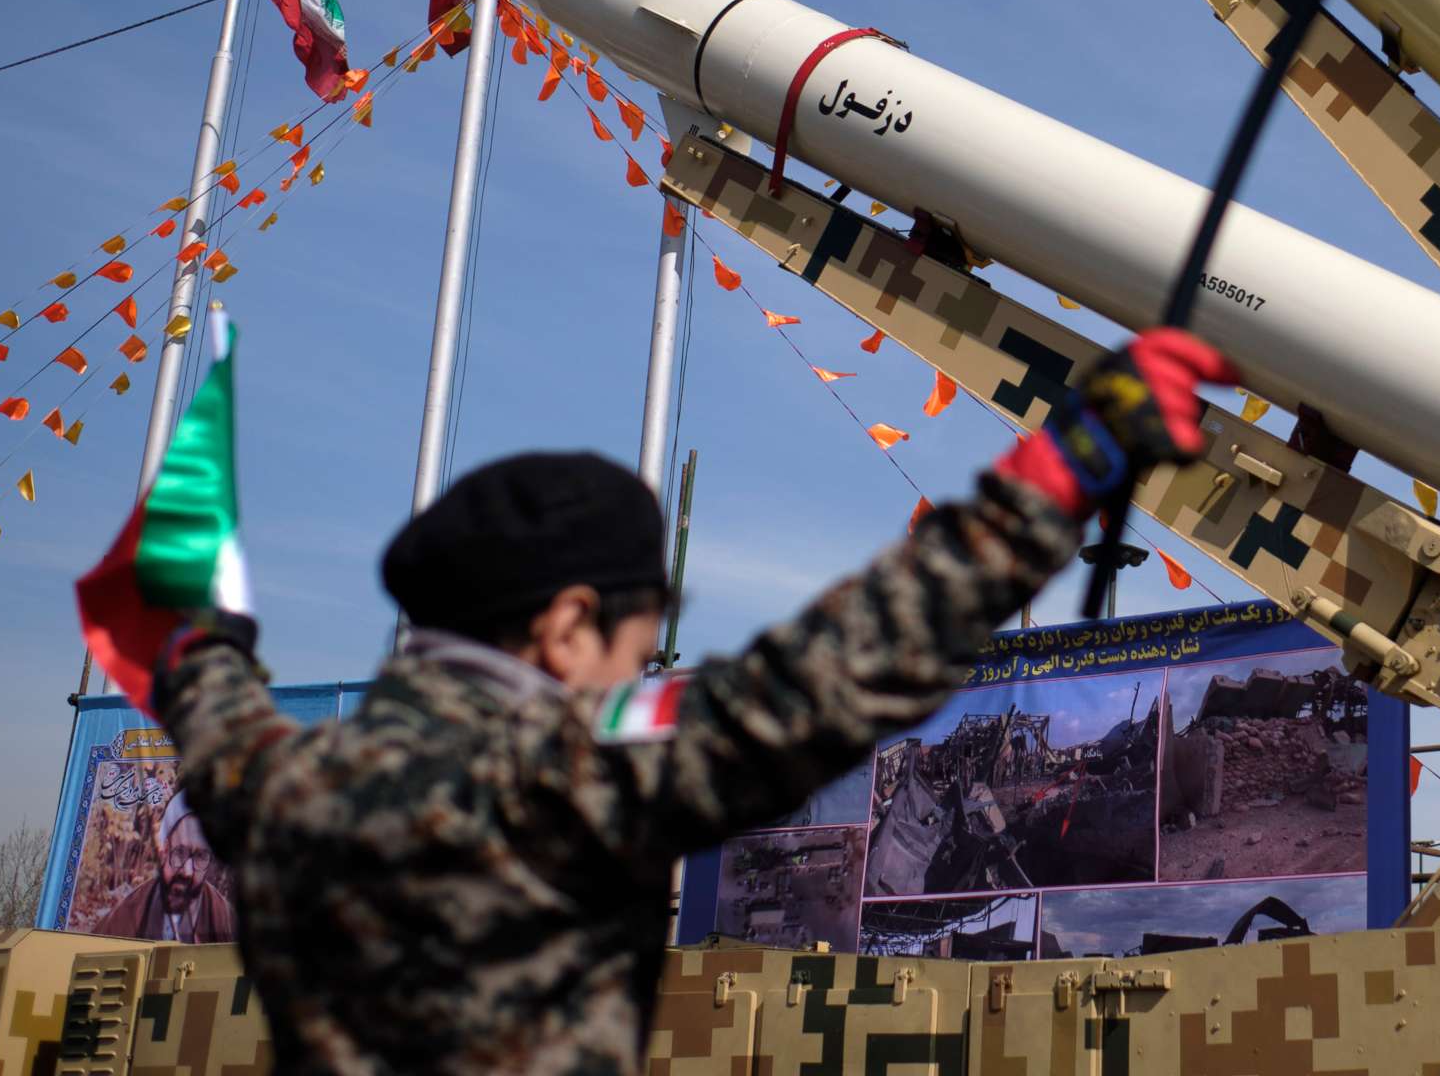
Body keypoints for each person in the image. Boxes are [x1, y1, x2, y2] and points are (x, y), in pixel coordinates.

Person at [150, 330, 1231, 1075]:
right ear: (566, 624)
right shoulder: (550, 782)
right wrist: (1072, 460)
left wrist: (210, 638)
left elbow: (207, 693)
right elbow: (831, 674)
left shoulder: (283, 781)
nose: (637, 676)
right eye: (635, 640)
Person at [92, 791, 237, 943]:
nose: (187, 871)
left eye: (200, 857)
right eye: (180, 853)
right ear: (164, 851)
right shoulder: (130, 912)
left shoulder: (225, 919)